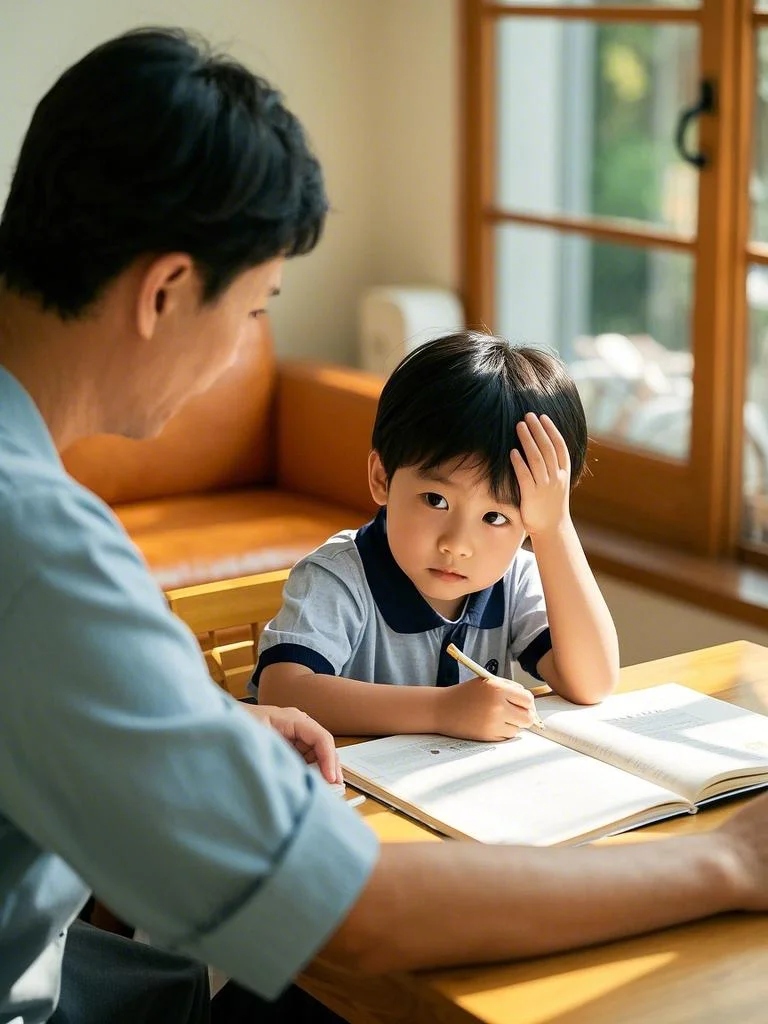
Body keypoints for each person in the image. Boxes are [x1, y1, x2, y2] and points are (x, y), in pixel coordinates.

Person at [2, 24, 768, 1024]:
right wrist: (724, 858)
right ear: (167, 290)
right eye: (257, 308)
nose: (248, 346)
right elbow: (345, 913)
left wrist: (207, 727)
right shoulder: (41, 548)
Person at [253, 332, 619, 739]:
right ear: (382, 478)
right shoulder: (339, 577)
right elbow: (284, 692)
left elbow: (592, 684)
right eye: (435, 499)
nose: (457, 544)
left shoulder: (513, 578)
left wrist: (554, 529)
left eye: (496, 517)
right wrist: (443, 710)